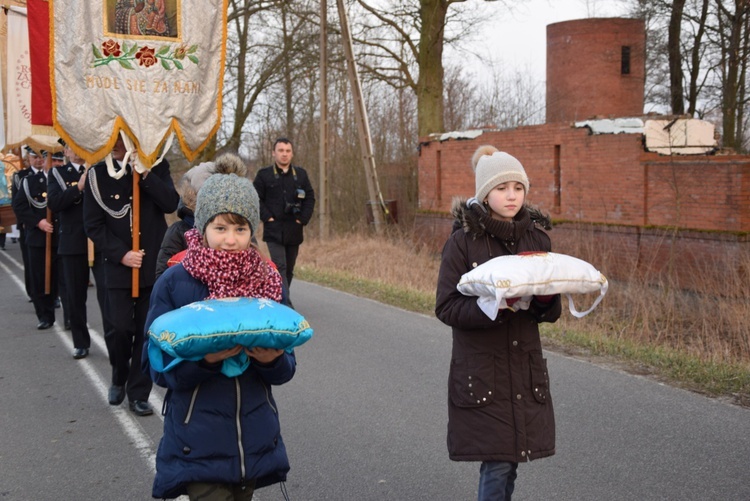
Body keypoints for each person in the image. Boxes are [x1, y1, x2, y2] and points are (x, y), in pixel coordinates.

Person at [143, 160, 295, 499]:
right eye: (221, 228)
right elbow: (153, 366)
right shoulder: (175, 283)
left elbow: (287, 368)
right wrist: (204, 361)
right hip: (196, 445)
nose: (231, 240)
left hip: (252, 444)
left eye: (241, 229)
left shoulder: (267, 280)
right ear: (202, 225)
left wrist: (271, 360)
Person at [434, 148, 562, 501]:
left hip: (524, 367)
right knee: (499, 461)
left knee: (513, 456)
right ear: (485, 193)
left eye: (518, 187)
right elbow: (446, 307)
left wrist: (546, 300)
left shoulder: (538, 240)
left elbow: (549, 312)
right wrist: (495, 306)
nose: (511, 195)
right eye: (502, 187)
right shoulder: (462, 242)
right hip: (483, 372)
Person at [83, 135, 179, 416]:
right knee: (119, 328)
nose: (118, 145)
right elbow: (93, 225)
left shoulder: (157, 167)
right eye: (114, 139)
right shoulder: (97, 175)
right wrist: (121, 254)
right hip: (116, 267)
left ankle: (139, 393)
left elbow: (170, 203)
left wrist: (144, 172)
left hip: (151, 268)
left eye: (124, 139)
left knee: (145, 331)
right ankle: (118, 373)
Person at [47, 140, 94, 358]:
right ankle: (81, 341)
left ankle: (117, 343)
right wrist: (79, 188)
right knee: (75, 296)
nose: (76, 151)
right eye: (71, 147)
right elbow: (55, 204)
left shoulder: (99, 170)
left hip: (100, 241)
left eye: (80, 145)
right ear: (65, 151)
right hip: (73, 242)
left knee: (108, 296)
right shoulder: (57, 174)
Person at [253, 138, 315, 303]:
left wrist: (302, 219)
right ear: (274, 153)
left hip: (294, 229)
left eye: (287, 151)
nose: (284, 154)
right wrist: (268, 217)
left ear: (292, 153)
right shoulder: (264, 175)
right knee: (280, 266)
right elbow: (255, 198)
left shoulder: (300, 175)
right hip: (273, 229)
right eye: (281, 150)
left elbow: (310, 198)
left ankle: (280, 294)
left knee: (289, 269)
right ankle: (285, 302)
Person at [11, 146, 60, 329]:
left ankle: (59, 303)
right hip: (37, 236)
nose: (41, 160)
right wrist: (38, 222)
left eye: (44, 157)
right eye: (37, 157)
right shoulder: (28, 181)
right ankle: (45, 315)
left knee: (59, 277)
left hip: (60, 235)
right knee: (39, 276)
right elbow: (19, 205)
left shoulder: (60, 178)